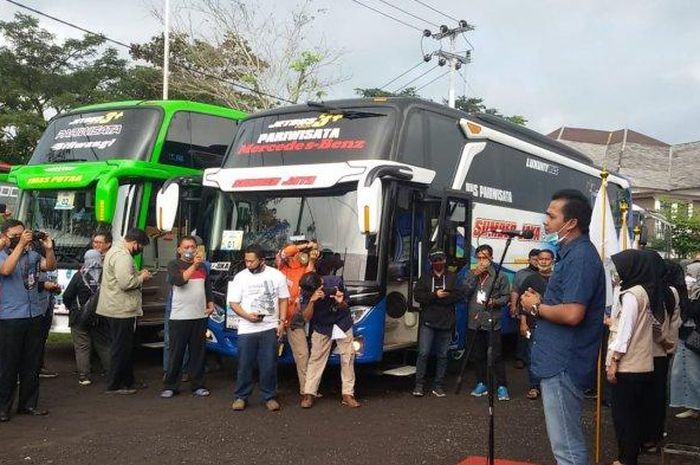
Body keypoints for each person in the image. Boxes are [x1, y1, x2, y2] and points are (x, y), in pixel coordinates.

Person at [520, 189, 606, 465]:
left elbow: (572, 314)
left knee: (566, 448)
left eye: (551, 215)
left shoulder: (581, 257)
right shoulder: (569, 254)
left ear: (570, 223)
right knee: (564, 445)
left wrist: (535, 306)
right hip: (557, 359)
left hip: (563, 363)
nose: (545, 221)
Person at [605, 250, 660, 465]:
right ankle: (629, 457)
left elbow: (625, 331)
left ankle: (625, 459)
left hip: (628, 365)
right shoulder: (644, 292)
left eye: (619, 267)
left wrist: (614, 361)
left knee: (624, 417)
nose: (617, 272)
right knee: (634, 414)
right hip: (643, 363)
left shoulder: (630, 296)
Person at [0, 220, 56, 422]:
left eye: (23, 233)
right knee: (8, 364)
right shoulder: (2, 255)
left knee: (31, 363)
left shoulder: (32, 255)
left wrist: (48, 249)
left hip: (34, 314)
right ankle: (3, 407)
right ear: (6, 237)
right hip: (10, 316)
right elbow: (6, 270)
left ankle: (28, 404)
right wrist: (20, 245)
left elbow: (49, 266)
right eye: (16, 235)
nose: (21, 237)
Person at [228, 244, 289, 412]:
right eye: (246, 261)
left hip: (269, 326)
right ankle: (241, 396)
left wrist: (282, 322)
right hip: (247, 328)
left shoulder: (277, 276)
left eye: (252, 261)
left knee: (269, 364)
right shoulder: (240, 277)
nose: (248, 264)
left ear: (262, 260)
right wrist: (247, 316)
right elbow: (233, 303)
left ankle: (269, 396)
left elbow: (284, 299)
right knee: (244, 364)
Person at [96, 228, 152, 395]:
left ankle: (128, 381)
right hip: (121, 308)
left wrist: (137, 274)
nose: (140, 249)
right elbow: (126, 283)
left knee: (123, 346)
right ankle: (115, 384)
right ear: (135, 243)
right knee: (121, 347)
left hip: (114, 306)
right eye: (141, 246)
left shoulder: (115, 251)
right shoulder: (123, 256)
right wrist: (142, 277)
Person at [298, 267, 360, 409]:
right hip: (321, 326)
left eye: (321, 284)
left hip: (341, 322)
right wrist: (312, 301)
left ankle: (348, 394)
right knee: (316, 358)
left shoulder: (336, 281)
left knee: (348, 357)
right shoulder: (306, 291)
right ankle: (309, 393)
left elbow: (347, 305)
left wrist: (340, 301)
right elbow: (306, 317)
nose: (321, 288)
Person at [160, 236, 214, 399]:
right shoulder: (174, 265)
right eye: (186, 247)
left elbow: (207, 285)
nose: (190, 250)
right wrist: (194, 265)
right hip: (179, 316)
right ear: (179, 250)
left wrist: (210, 302)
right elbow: (179, 281)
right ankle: (171, 385)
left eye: (192, 247)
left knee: (198, 352)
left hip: (199, 315)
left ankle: (198, 385)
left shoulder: (204, 267)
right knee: (177, 352)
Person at [641, 259, 683, 451]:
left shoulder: (640, 291)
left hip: (639, 352)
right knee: (657, 396)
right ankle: (653, 437)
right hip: (662, 352)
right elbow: (675, 322)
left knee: (639, 396)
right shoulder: (671, 291)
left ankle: (640, 436)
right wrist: (669, 347)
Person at [412, 249, 463, 398]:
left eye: (441, 259)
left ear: (445, 260)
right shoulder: (425, 277)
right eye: (435, 260)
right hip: (428, 321)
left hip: (446, 322)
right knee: (423, 353)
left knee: (442, 355)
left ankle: (438, 385)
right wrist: (436, 295)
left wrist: (439, 298)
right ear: (430, 262)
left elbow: (459, 295)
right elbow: (417, 296)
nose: (438, 262)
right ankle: (419, 385)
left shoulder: (453, 277)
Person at [464, 244, 511, 401]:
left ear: (491, 258)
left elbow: (506, 297)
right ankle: (481, 383)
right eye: (479, 258)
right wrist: (474, 276)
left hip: (492, 321)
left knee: (495, 355)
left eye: (485, 258)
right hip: (474, 321)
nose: (482, 261)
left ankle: (502, 386)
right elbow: (464, 293)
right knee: (478, 356)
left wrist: (494, 301)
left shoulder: (500, 276)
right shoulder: (471, 273)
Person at [276, 241, 319, 397]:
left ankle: (307, 390)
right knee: (268, 353)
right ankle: (268, 390)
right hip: (276, 318)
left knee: (302, 354)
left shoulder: (304, 270)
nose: (296, 256)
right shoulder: (281, 267)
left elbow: (310, 277)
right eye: (294, 254)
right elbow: (283, 253)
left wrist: (312, 258)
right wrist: (305, 245)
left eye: (300, 254)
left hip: (294, 319)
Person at [62, 249, 111, 386]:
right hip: (101, 315)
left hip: (79, 316)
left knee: (82, 346)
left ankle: (84, 376)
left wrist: (70, 307)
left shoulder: (79, 276)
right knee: (104, 345)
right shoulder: (105, 275)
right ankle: (110, 372)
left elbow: (67, 296)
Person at [519, 248, 555, 400]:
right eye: (541, 259)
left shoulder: (558, 279)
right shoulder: (530, 280)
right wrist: (523, 323)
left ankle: (550, 387)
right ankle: (534, 387)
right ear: (537, 261)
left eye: (547, 259)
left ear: (552, 261)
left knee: (552, 356)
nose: (544, 262)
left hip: (554, 324)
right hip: (533, 325)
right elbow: (523, 304)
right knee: (533, 356)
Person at [669, 255, 700, 420]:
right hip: (687, 335)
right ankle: (692, 405)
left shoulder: (696, 292)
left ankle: (695, 405)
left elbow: (693, 312)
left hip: (694, 335)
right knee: (686, 371)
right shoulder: (688, 290)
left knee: (693, 372)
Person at [510, 248, 540, 369]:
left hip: (541, 310)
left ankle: (535, 359)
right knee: (524, 333)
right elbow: (515, 290)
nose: (537, 262)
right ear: (529, 259)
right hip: (525, 310)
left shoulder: (545, 274)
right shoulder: (521, 273)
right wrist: (513, 305)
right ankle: (521, 358)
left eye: (539, 259)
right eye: (534, 259)